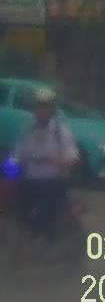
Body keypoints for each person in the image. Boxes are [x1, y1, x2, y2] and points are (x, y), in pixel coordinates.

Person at [12, 87, 78, 242]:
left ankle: (48, 234)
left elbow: (73, 160)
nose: (41, 111)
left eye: (45, 107)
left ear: (51, 110)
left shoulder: (61, 133)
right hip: (30, 180)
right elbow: (16, 156)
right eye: (38, 107)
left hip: (53, 181)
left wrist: (52, 160)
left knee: (48, 202)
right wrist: (8, 173)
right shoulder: (28, 131)